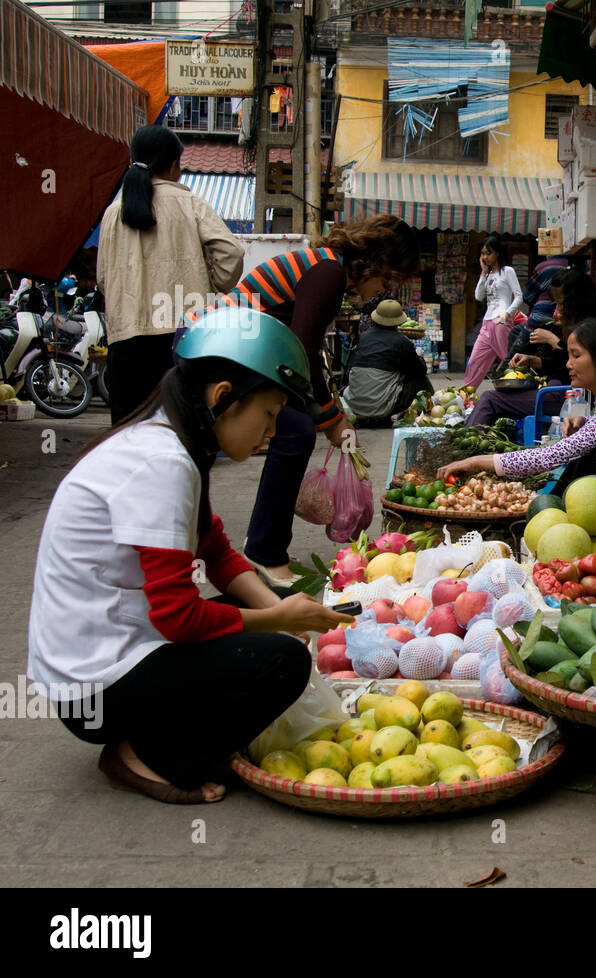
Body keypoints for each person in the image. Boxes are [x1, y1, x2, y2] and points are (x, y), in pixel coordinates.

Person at [28, 306, 354, 805]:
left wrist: (277, 603)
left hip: (112, 655)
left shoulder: (170, 444)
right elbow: (179, 618)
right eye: (267, 415)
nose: (270, 433)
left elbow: (218, 555)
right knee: (281, 662)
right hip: (95, 689)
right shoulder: (162, 463)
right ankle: (147, 755)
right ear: (222, 397)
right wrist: (278, 620)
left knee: (252, 624)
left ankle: (164, 729)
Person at [194, 215, 420, 581]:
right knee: (296, 431)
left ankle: (258, 550)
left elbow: (300, 356)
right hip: (217, 355)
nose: (385, 289)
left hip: (226, 351)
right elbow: (303, 352)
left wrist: (327, 413)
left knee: (293, 430)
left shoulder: (325, 265)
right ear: (375, 261)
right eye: (389, 276)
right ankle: (264, 554)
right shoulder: (328, 271)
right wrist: (331, 419)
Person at [437, 318, 596, 493]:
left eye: (576, 355)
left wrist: (476, 462)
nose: (568, 364)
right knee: (594, 452)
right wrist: (585, 422)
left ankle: (551, 510)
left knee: (595, 456)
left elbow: (551, 456)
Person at [98, 125, 244, 423]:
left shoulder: (114, 211)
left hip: (126, 340)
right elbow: (232, 253)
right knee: (182, 431)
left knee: (129, 434)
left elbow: (104, 276)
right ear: (174, 165)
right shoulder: (188, 203)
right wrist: (210, 284)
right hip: (183, 338)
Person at [467, 268, 596, 431]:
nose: (556, 312)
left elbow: (575, 370)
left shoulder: (590, 331)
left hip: (569, 399)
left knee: (489, 399)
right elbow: (564, 366)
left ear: (575, 302)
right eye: (556, 303)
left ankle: (469, 447)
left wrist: (553, 341)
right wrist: (535, 361)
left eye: (560, 303)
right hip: (558, 392)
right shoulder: (582, 326)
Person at [343, 298, 431, 426]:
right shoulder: (402, 341)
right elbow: (420, 370)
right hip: (382, 405)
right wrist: (419, 357)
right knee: (419, 378)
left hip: (355, 402)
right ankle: (428, 415)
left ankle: (369, 417)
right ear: (398, 321)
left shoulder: (363, 337)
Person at [464, 234, 523, 389]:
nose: (485, 257)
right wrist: (483, 272)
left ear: (497, 253)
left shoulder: (507, 271)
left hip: (501, 322)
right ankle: (466, 396)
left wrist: (508, 313)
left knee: (509, 361)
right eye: (483, 253)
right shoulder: (488, 275)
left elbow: (519, 296)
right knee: (474, 362)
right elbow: (478, 296)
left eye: (488, 253)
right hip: (486, 323)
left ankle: (518, 393)